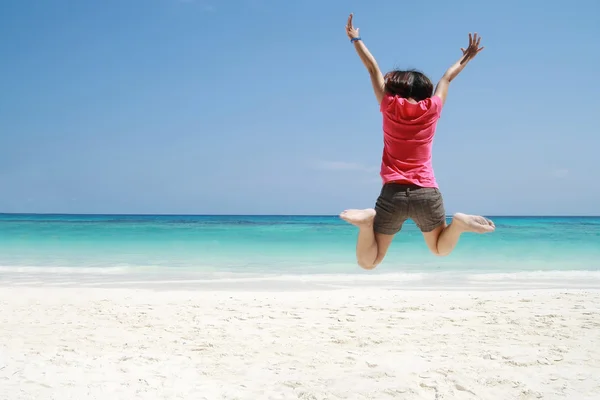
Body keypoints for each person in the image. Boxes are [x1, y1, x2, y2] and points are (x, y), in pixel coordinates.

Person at [340, 13, 495, 270]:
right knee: (438, 249)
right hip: (427, 193)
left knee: (370, 261)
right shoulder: (432, 108)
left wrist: (356, 39)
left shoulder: (389, 105)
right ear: (424, 90)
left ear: (395, 89)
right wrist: (467, 56)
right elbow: (446, 78)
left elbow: (372, 68)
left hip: (393, 194)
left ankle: (366, 222)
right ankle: (458, 224)